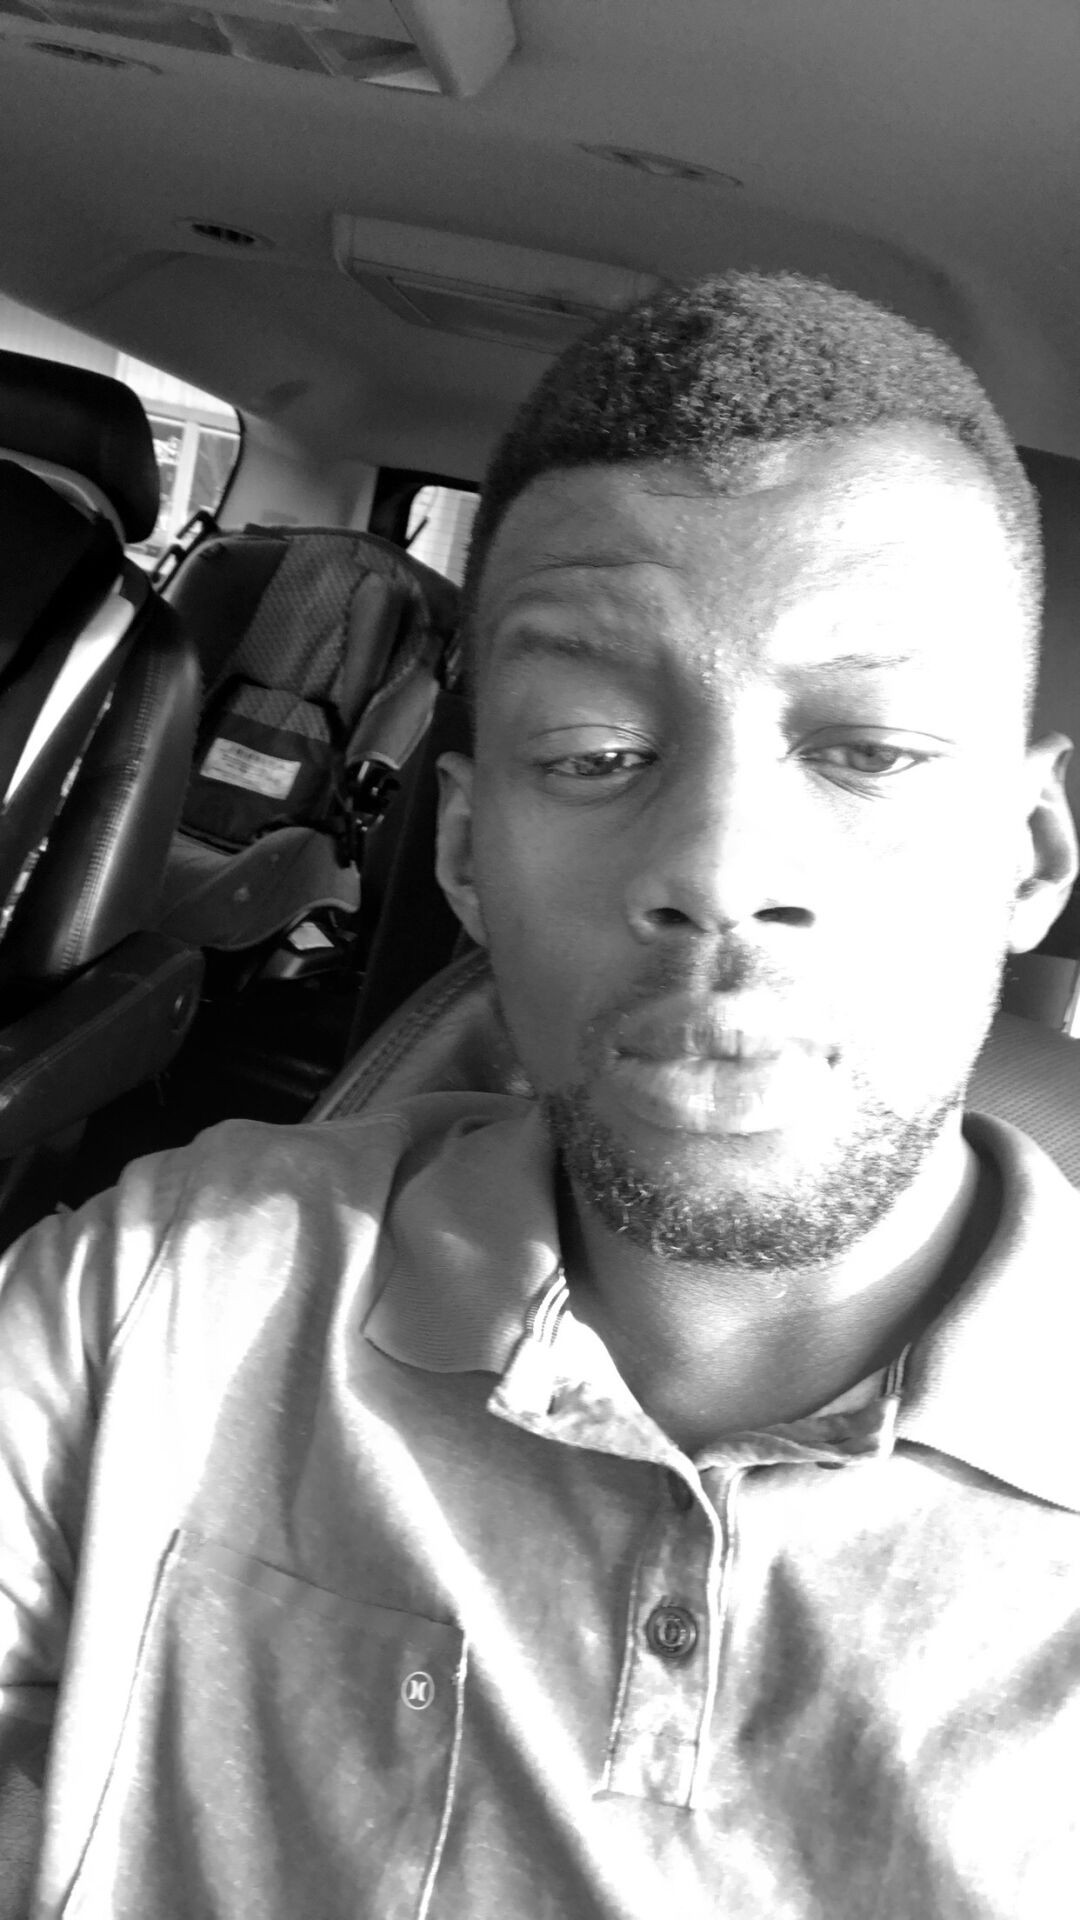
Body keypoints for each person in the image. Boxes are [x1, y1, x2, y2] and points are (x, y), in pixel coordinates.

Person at [2, 271, 1079, 1920]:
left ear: (1032, 856)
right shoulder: (156, 1294)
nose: (717, 871)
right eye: (590, 752)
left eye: (865, 751)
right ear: (461, 852)